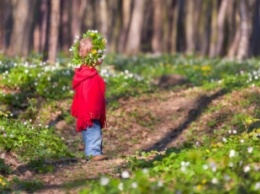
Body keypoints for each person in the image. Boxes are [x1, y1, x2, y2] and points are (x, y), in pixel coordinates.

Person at [70, 30, 108, 161]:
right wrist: (92, 110)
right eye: (99, 54)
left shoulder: (86, 72)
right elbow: (87, 93)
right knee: (93, 131)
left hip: (89, 109)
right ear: (92, 56)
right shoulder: (88, 75)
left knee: (92, 131)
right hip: (89, 110)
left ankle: (92, 152)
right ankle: (93, 152)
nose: (102, 58)